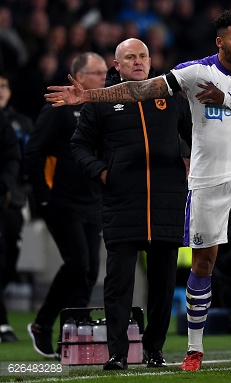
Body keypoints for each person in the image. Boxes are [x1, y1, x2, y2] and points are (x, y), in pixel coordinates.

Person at [45, 9, 231, 371]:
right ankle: (194, 349)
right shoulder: (194, 72)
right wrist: (89, 97)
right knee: (203, 264)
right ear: (220, 41)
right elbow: (138, 90)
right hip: (207, 181)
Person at [71, 38, 192, 370]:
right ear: (117, 66)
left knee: (163, 286)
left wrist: (193, 160)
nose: (137, 62)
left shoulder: (173, 97)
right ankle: (117, 354)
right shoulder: (102, 103)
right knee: (119, 284)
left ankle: (155, 350)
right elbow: (79, 146)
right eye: (130, 58)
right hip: (122, 202)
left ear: (151, 62)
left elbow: (197, 136)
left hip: (167, 204)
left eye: (142, 56)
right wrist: (103, 172)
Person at [24, 52, 106, 358]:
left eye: (104, 73)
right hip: (61, 201)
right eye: (97, 73)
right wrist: (43, 195)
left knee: (88, 272)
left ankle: (71, 336)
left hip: (92, 201)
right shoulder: (59, 108)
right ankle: (42, 324)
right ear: (79, 77)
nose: (103, 78)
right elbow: (34, 151)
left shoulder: (102, 108)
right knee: (78, 265)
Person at [0, 71, 34, 343]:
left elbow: (24, 159)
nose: (0, 91)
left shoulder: (20, 123)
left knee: (10, 260)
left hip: (14, 201)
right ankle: (2, 322)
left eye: (4, 86)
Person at [0, 111, 21, 344]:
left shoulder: (5, 122)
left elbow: (12, 157)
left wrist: (4, 183)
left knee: (5, 261)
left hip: (7, 204)